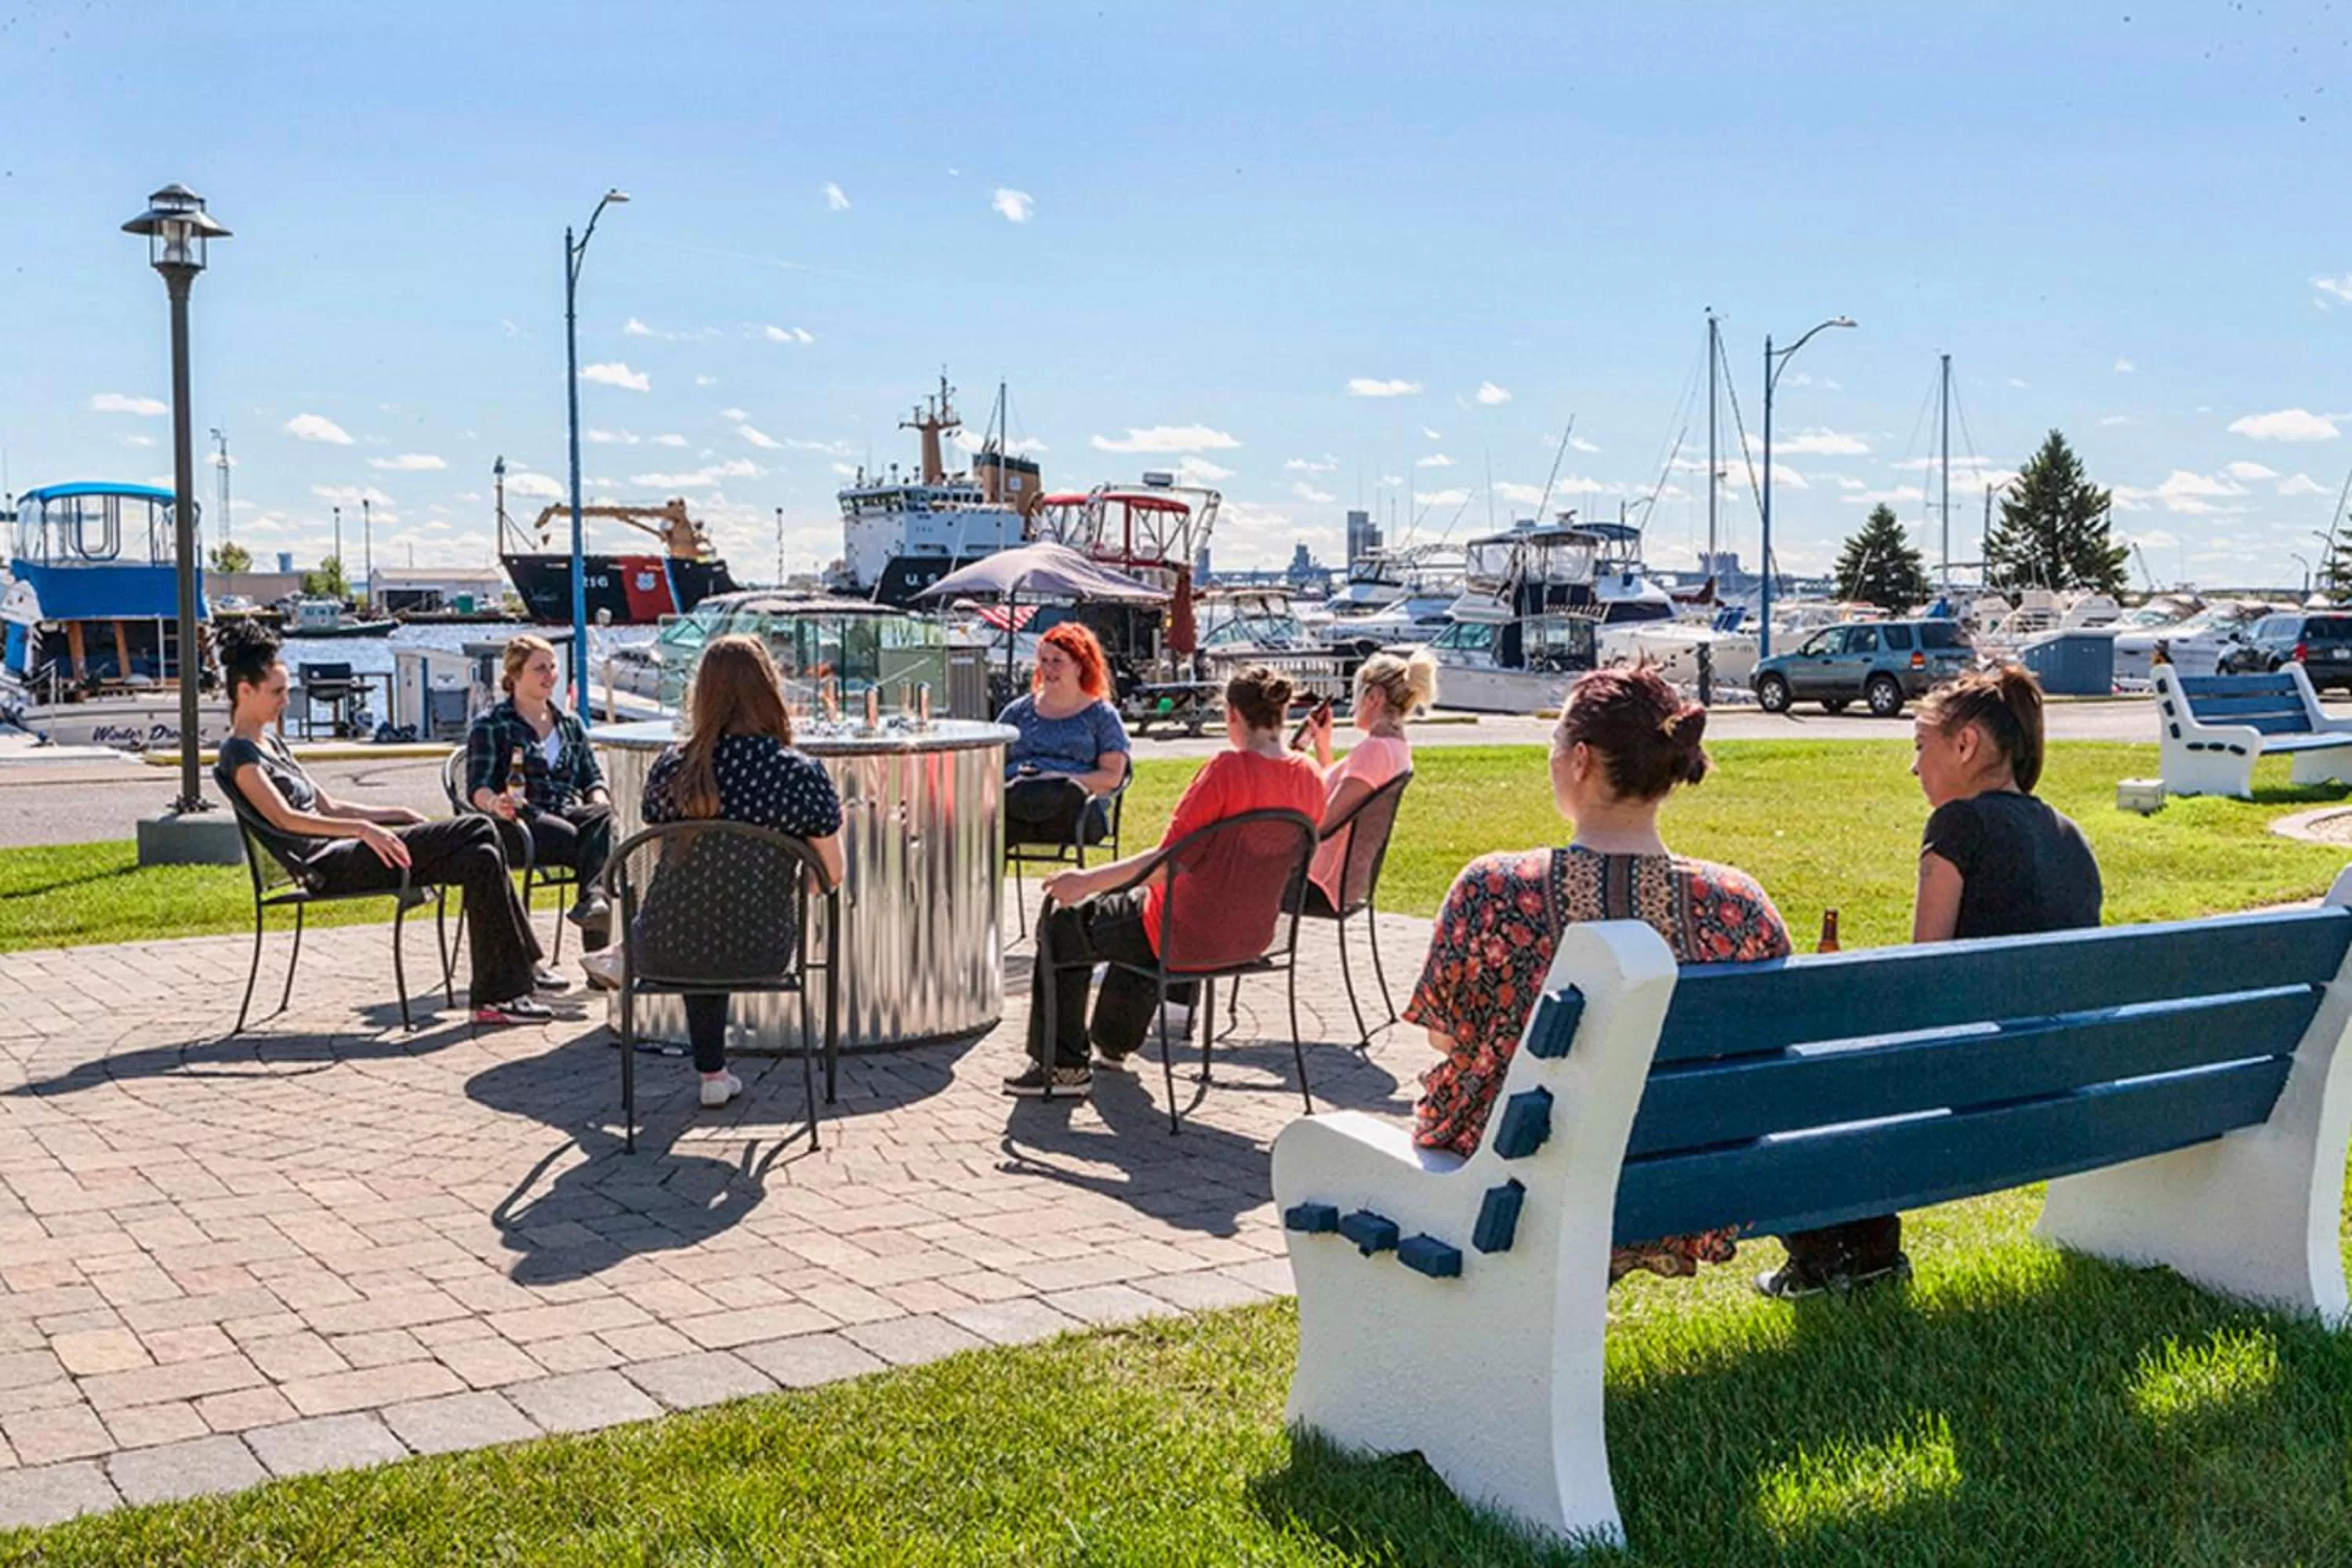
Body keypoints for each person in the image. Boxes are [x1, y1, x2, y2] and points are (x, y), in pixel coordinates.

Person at [1406, 666, 1790, 1282]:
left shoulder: (1493, 890)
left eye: (1554, 745)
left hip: (1518, 1183)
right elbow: (1765, 1053)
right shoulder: (1739, 904)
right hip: (1680, 1179)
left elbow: (1445, 1038)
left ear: (1581, 759)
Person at [1759, 662, 2101, 1299]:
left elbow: (1926, 977)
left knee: (1804, 1070)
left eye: (1922, 747)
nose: (1915, 768)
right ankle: (1866, 1255)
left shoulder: (1957, 825)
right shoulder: (2069, 835)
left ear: (1965, 744)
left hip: (1980, 1090)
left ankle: (1826, 1259)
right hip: (2065, 1085)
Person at [210, 619, 554, 1025]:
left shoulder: (274, 744)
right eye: (277, 692)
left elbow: (330, 806)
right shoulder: (240, 755)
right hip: (327, 867)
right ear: (244, 691)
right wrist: (364, 831)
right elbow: (285, 819)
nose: (286, 701)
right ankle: (526, 963)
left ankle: (498, 997)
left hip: (349, 853)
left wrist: (392, 814)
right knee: (479, 828)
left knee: (479, 857)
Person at [1008, 663, 1326, 1098]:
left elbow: (1164, 863)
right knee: (1129, 919)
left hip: (1186, 930)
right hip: (1254, 936)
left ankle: (1061, 1067)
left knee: (1067, 924)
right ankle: (1113, 1042)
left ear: (1232, 714)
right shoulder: (1309, 777)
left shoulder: (1227, 770)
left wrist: (1086, 880)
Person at [602, 635, 846, 1110]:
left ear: (702, 694)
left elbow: (662, 840)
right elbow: (831, 874)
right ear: (768, 689)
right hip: (762, 948)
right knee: (722, 919)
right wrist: (797, 880)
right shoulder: (798, 773)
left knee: (698, 911)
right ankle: (729, 1075)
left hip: (667, 947)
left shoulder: (674, 766)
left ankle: (710, 1071)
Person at [464, 634, 613, 945]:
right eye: (539, 668)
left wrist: (599, 806)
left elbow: (593, 779)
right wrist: (495, 803)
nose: (549, 676)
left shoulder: (570, 724)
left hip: (565, 812)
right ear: (516, 674)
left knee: (604, 822)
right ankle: (599, 949)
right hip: (520, 818)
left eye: (553, 667)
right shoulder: (492, 724)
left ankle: (593, 902)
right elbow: (477, 787)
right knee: (596, 848)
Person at [1300, 648, 1439, 913]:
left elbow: (1326, 822)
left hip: (1322, 883)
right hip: (1349, 881)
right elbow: (1345, 802)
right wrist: (1322, 746)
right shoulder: (1395, 749)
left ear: (1374, 697)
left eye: (1358, 694)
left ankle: (1238, 951)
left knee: (1233, 865)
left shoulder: (1374, 751)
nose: (1354, 705)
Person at [998, 622, 1131, 851]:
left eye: (1058, 661)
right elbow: (992, 762)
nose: (1049, 669)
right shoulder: (1018, 712)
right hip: (1016, 808)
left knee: (1063, 791)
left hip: (1075, 813)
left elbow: (1112, 778)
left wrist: (1057, 777)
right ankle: (977, 884)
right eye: (1044, 660)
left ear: (1079, 666)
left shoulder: (1101, 715)